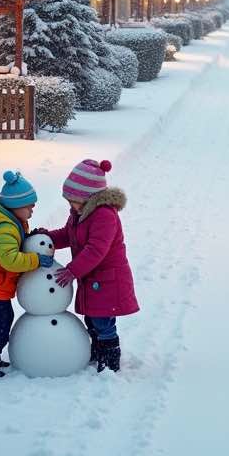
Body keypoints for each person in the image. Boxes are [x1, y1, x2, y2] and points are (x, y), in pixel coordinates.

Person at [40, 159, 139, 372]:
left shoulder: (104, 215)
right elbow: (69, 235)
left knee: (103, 323)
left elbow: (96, 249)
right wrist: (47, 239)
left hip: (108, 279)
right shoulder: (79, 213)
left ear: (88, 197)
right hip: (93, 278)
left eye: (72, 200)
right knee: (92, 319)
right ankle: (97, 352)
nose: (69, 205)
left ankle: (110, 359)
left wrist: (72, 270)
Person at [0, 169, 54, 378]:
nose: (33, 209)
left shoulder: (13, 222)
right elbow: (10, 260)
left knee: (2, 319)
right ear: (15, 206)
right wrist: (35, 260)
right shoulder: (3, 228)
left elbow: (15, 245)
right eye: (29, 206)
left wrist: (29, 238)